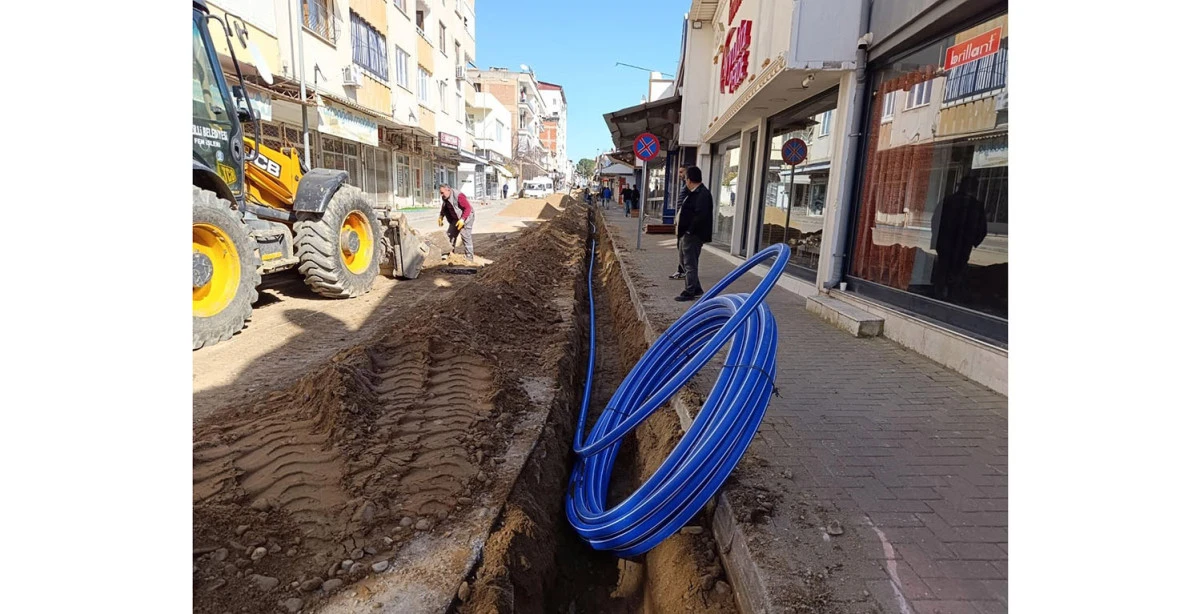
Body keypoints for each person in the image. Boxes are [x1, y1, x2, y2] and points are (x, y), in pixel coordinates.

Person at [931, 174, 988, 301]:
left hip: (949, 243)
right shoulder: (974, 205)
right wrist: (973, 241)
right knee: (956, 270)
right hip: (961, 244)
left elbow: (935, 222)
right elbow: (982, 229)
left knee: (944, 269)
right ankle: (950, 294)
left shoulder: (949, 201)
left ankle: (941, 293)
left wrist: (937, 239)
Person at [675, 166, 713, 301]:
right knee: (683, 261)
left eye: (685, 179)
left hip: (693, 235)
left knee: (690, 263)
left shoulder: (702, 194)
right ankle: (696, 288)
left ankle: (689, 291)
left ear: (689, 180)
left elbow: (700, 216)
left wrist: (689, 231)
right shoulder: (692, 192)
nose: (685, 182)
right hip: (685, 234)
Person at [438, 184, 475, 262]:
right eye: (440, 193)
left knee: (465, 236)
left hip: (466, 217)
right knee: (450, 234)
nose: (441, 195)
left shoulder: (459, 196)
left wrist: (462, 219)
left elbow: (468, 208)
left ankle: (469, 257)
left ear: (448, 190)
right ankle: (449, 253)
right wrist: (441, 216)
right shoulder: (445, 197)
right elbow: (444, 206)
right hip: (456, 218)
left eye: (442, 192)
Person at [669, 166, 690, 280]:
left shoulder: (689, 187)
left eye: (682, 172)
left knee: (684, 250)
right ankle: (682, 270)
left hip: (685, 223)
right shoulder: (684, 186)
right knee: (681, 248)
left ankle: (684, 272)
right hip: (680, 221)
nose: (680, 174)